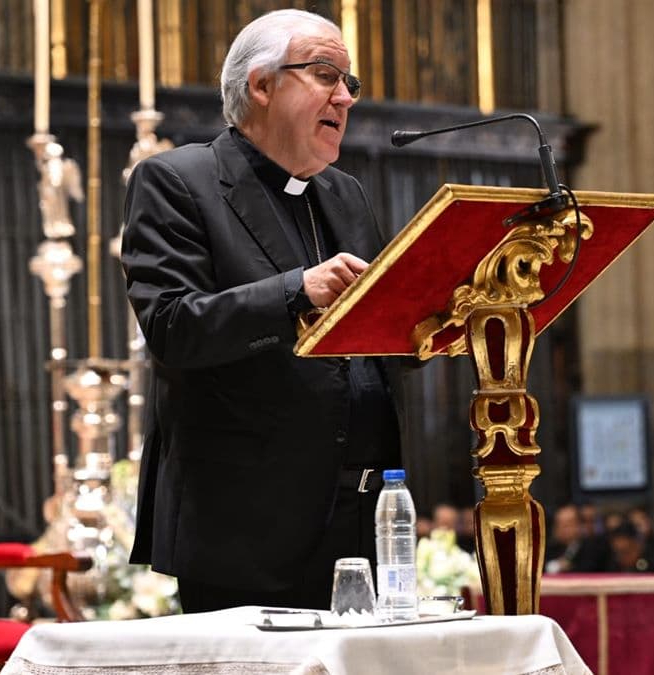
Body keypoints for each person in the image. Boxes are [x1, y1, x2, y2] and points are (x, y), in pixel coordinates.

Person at [121, 9, 403, 613]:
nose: (344, 98)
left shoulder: (344, 193)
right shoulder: (177, 181)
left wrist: (433, 314)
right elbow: (174, 327)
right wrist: (296, 290)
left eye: (349, 83)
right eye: (326, 74)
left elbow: (377, 342)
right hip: (242, 527)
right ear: (261, 85)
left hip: (359, 517)